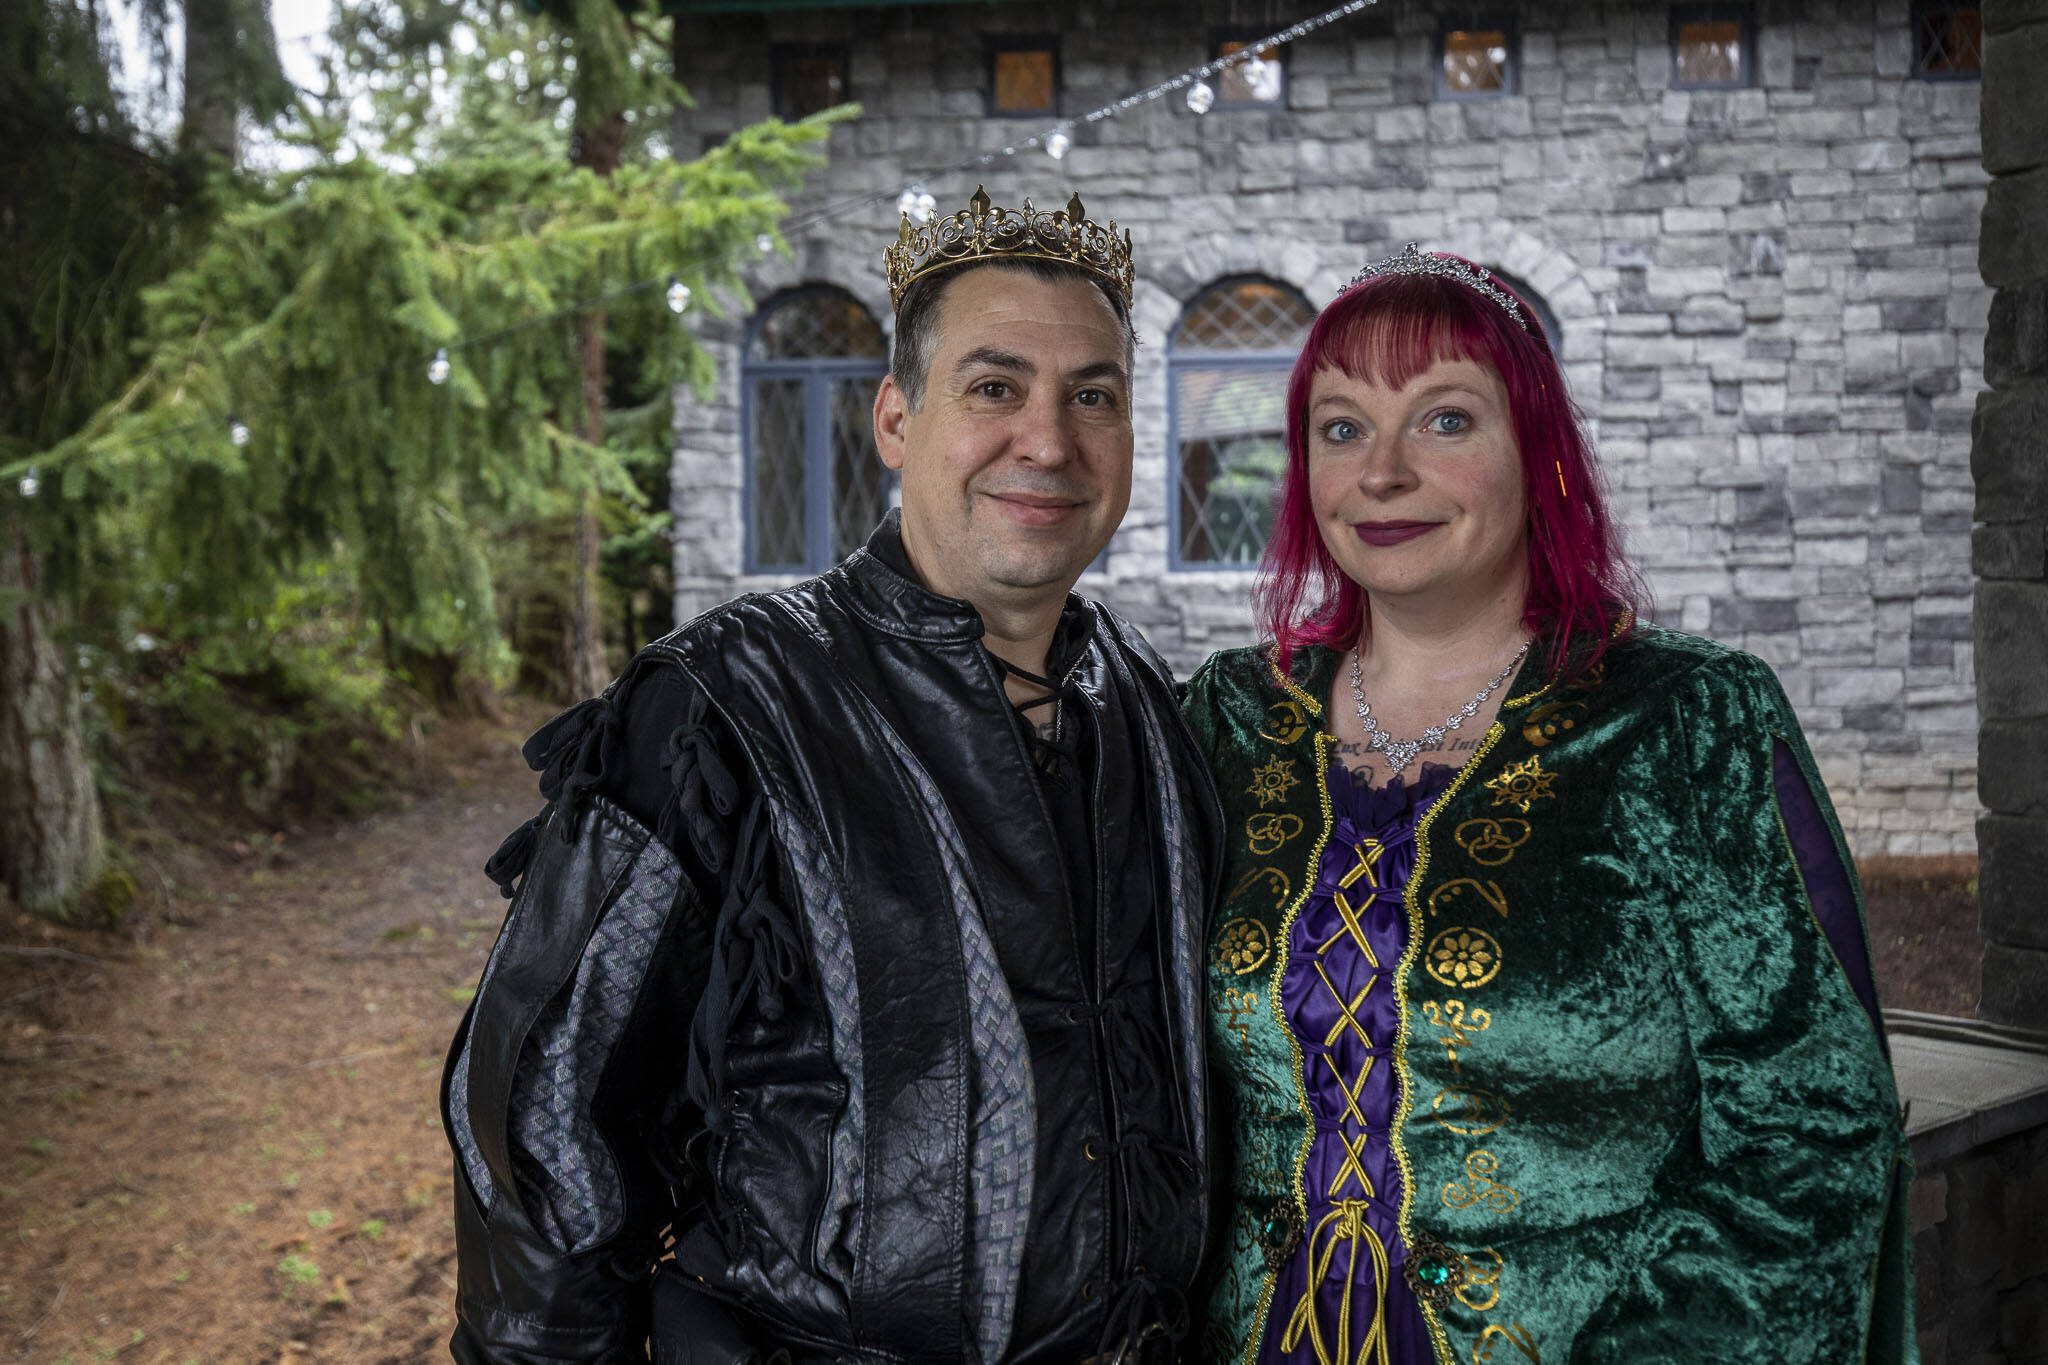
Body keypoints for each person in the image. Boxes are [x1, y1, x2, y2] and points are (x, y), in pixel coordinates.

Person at [441, 187, 1222, 1364]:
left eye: (1092, 397)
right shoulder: (720, 709)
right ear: (896, 420)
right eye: (994, 387)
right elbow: (540, 1125)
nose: (1048, 442)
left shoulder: (1146, 704)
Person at [1183, 245, 1913, 1364]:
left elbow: (1808, 1133)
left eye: (1443, 421)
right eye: (1340, 429)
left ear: (1539, 456)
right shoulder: (1227, 723)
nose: (1380, 472)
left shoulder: (1687, 722)